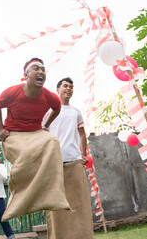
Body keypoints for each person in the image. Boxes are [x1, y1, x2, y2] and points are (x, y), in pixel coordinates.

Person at [0, 57, 70, 221]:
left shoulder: (50, 97)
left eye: (43, 69)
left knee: (53, 142)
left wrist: (46, 124)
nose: (41, 72)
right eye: (36, 69)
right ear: (26, 74)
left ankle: (51, 194)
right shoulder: (12, 92)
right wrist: (0, 129)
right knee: (27, 152)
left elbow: (57, 109)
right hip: (14, 133)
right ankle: (18, 200)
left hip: (36, 132)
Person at [44, 77, 94, 239]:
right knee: (55, 203)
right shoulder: (48, 111)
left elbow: (82, 133)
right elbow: (41, 132)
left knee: (78, 202)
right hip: (53, 162)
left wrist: (84, 154)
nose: (69, 88)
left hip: (73, 161)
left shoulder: (76, 112)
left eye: (71, 87)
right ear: (57, 89)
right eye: (65, 86)